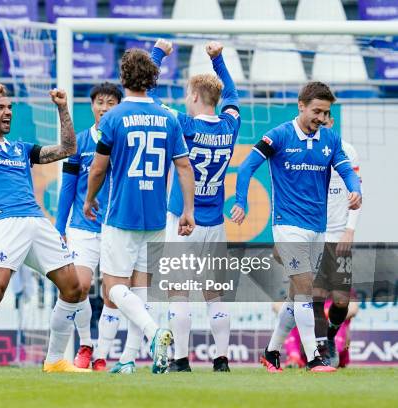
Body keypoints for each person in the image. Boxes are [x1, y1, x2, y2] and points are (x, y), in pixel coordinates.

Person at [0, 82, 89, 374]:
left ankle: (54, 360)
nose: (8, 112)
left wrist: (63, 108)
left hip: (37, 221)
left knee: (74, 288)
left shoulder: (20, 148)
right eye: (1, 107)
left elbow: (68, 148)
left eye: (10, 107)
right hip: (6, 222)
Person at [232, 81, 362, 372]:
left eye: (326, 112)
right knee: (305, 290)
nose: (320, 117)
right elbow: (245, 166)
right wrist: (241, 201)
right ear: (301, 106)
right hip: (287, 226)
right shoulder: (278, 135)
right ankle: (314, 357)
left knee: (294, 296)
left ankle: (271, 351)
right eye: (316, 111)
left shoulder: (330, 140)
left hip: (319, 228)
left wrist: (356, 191)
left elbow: (346, 172)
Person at [83, 48, 196, 374]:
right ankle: (129, 360)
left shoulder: (114, 118)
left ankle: (153, 331)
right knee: (142, 289)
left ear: (123, 78)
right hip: (156, 215)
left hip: (122, 214)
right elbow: (184, 166)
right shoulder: (167, 116)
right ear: (153, 79)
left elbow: (98, 169)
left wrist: (90, 199)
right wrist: (188, 210)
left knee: (114, 288)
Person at [150, 39, 240, 373]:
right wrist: (218, 60)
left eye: (189, 95)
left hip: (185, 219)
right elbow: (232, 96)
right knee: (214, 294)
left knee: (179, 292)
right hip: (215, 220)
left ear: (195, 97)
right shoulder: (231, 125)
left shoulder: (183, 124)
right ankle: (221, 360)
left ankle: (181, 360)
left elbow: (149, 97)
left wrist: (158, 54)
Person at [55, 82, 123, 371]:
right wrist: (59, 227)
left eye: (111, 102)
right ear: (92, 106)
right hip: (83, 227)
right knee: (80, 286)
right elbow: (68, 187)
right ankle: (85, 343)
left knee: (112, 293)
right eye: (100, 102)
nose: (105, 108)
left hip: (116, 226)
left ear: (119, 106)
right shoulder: (79, 143)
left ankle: (102, 356)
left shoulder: (124, 141)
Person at [313, 113, 362, 367]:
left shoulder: (348, 151)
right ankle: (321, 349)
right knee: (316, 297)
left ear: (331, 122)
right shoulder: (307, 151)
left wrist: (350, 230)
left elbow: (357, 194)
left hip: (339, 237)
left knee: (342, 301)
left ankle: (330, 335)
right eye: (317, 120)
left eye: (325, 120)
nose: (321, 124)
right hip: (314, 236)